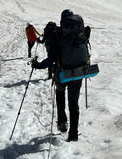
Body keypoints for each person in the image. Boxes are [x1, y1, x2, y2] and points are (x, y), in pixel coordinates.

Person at [32, 10, 87, 142]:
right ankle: (73, 134)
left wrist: (37, 65)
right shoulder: (80, 31)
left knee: (60, 94)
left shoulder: (58, 34)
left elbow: (50, 59)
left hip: (62, 73)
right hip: (79, 72)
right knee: (74, 103)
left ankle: (62, 123)